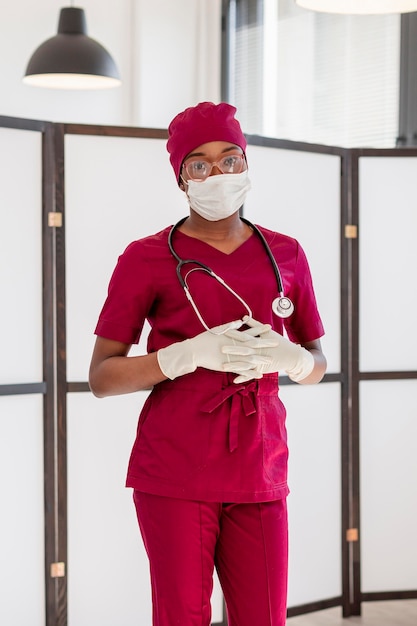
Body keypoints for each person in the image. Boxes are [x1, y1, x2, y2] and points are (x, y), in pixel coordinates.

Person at [89, 101, 327, 626]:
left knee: (264, 617)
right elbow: (102, 377)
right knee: (181, 616)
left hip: (260, 463)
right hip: (175, 464)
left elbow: (317, 360)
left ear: (247, 165)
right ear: (181, 180)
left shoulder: (285, 252)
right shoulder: (145, 257)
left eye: (229, 159)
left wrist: (293, 359)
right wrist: (184, 355)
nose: (216, 173)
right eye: (198, 164)